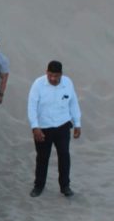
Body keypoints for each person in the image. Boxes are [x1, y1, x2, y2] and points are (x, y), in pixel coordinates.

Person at [27, 60, 81, 198]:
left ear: (61, 74)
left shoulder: (68, 83)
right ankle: (38, 186)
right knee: (42, 158)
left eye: (56, 76)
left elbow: (73, 102)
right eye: (50, 75)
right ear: (46, 72)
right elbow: (32, 106)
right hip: (43, 128)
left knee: (64, 155)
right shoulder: (38, 84)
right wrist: (35, 127)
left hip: (62, 126)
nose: (53, 78)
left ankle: (65, 186)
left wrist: (77, 123)